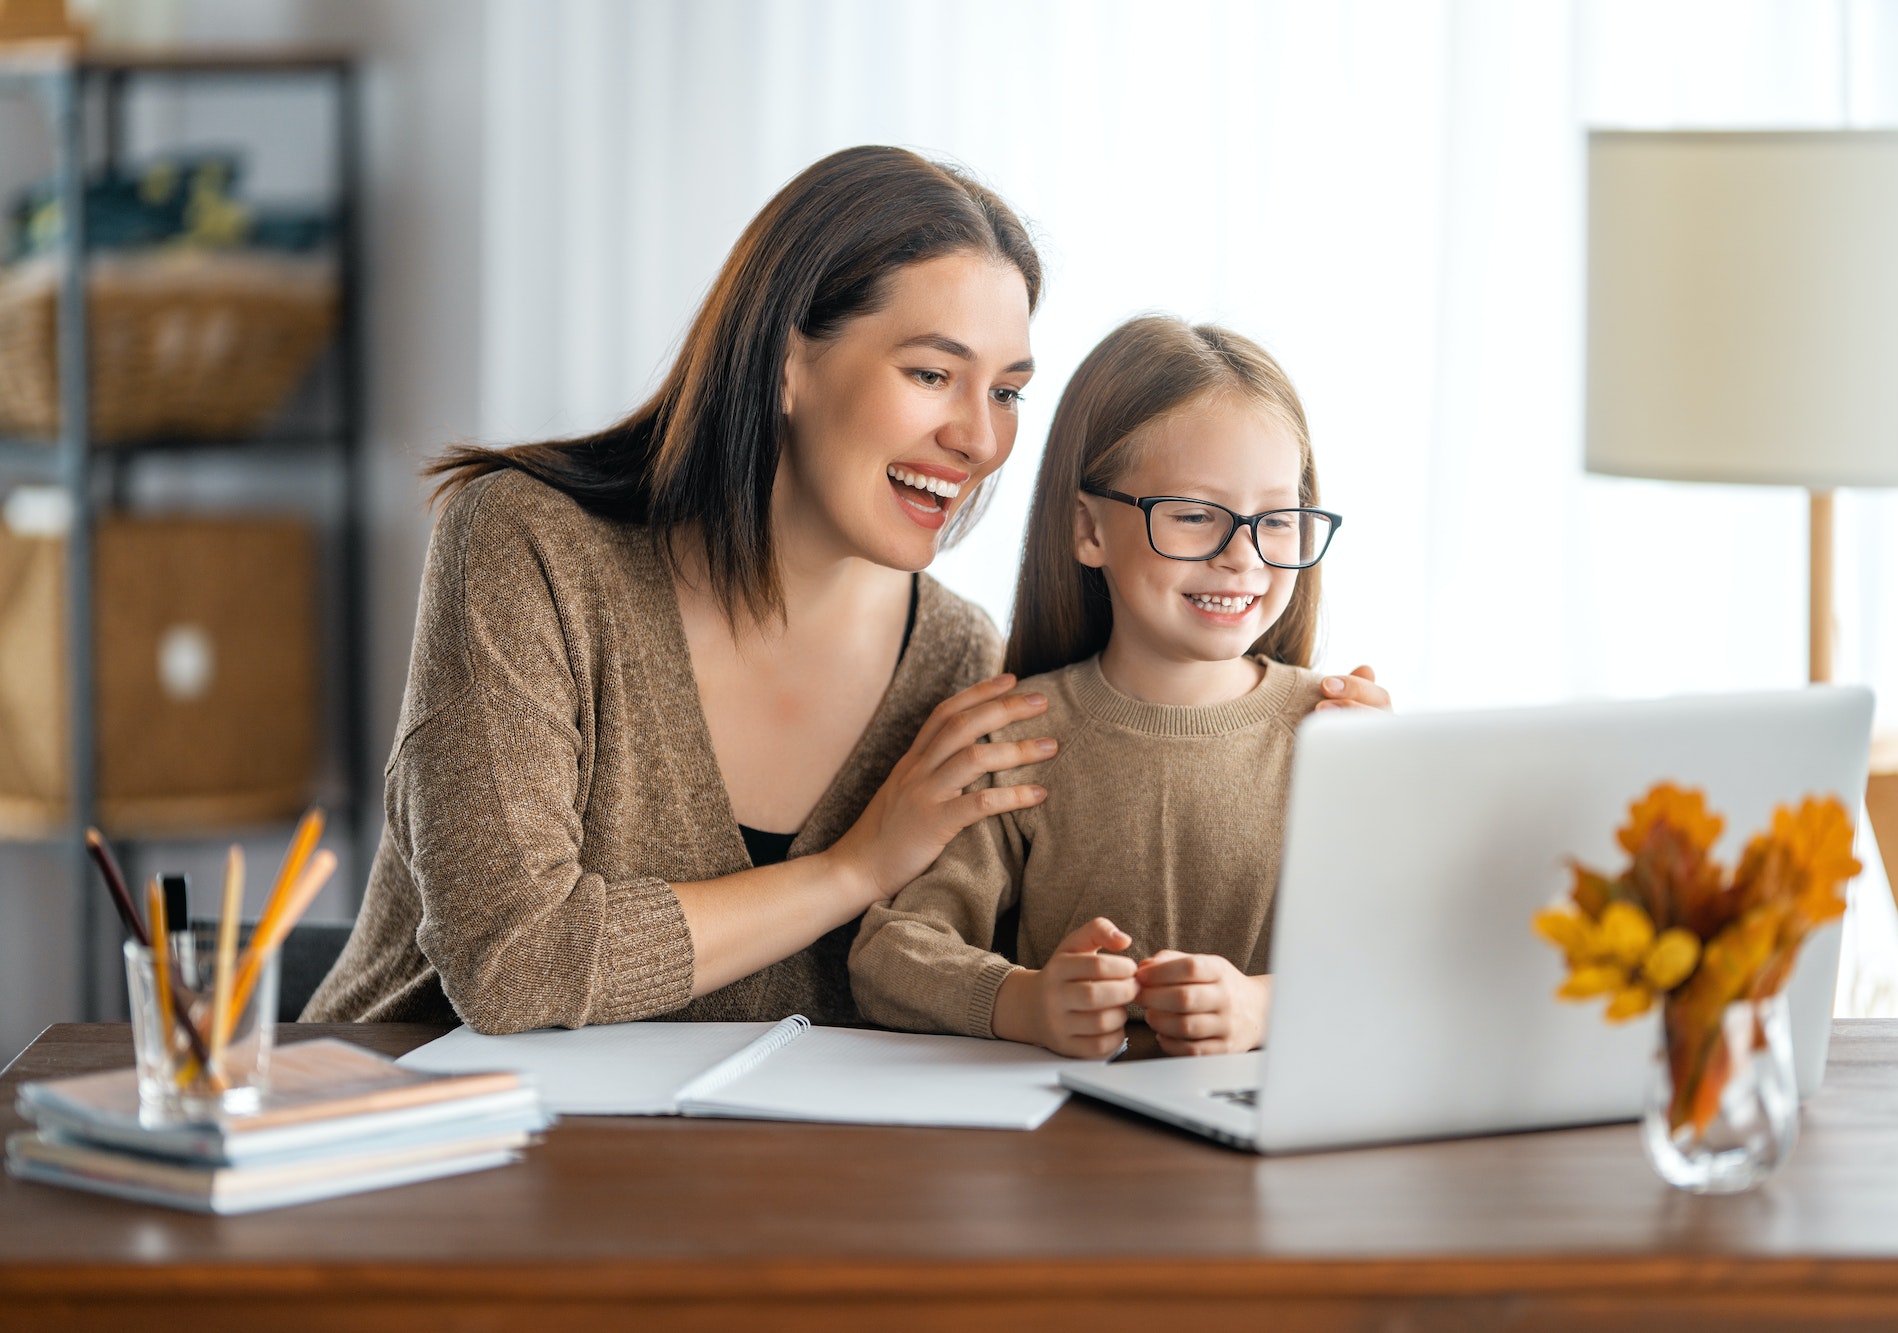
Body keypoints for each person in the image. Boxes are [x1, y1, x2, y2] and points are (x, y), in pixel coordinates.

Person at [304, 146, 1064, 1033]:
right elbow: (513, 964)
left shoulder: (965, 665)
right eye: (933, 374)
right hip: (416, 1141)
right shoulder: (530, 549)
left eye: (1007, 392)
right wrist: (854, 868)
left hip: (756, 1166)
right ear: (788, 361)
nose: (981, 438)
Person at [849, 315, 1391, 1058]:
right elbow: (888, 956)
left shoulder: (1338, 732)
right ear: (1090, 530)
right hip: (1070, 1147)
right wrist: (1023, 998)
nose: (1243, 557)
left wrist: (1268, 1006)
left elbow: (1422, 956)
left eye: (1278, 519)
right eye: (1197, 515)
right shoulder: (1018, 735)